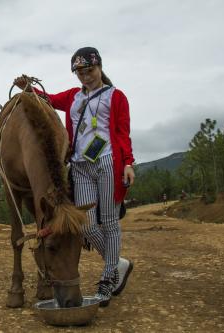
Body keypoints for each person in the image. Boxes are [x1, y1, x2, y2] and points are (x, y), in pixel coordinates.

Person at [13, 47, 134, 307]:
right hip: (79, 166)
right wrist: (28, 89)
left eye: (89, 71)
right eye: (79, 72)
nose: (85, 76)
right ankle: (118, 263)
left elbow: (123, 133)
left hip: (107, 162)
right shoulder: (73, 97)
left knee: (110, 223)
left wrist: (128, 163)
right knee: (86, 225)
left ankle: (108, 277)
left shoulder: (116, 97)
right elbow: (48, 99)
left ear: (99, 67)